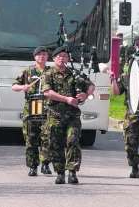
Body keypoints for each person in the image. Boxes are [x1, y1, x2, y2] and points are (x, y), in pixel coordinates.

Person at [42, 46, 94, 184]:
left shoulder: (74, 73)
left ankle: (72, 172)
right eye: (59, 56)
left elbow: (90, 85)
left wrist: (85, 94)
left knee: (73, 142)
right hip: (55, 115)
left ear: (68, 59)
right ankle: (60, 172)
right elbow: (47, 92)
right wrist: (66, 99)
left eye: (64, 56)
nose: (62, 59)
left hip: (72, 116)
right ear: (54, 59)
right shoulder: (48, 74)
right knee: (56, 144)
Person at [12, 47, 52, 177]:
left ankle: (45, 164)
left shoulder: (51, 71)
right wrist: (23, 87)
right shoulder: (28, 71)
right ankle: (33, 166)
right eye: (39, 54)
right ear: (34, 57)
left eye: (44, 54)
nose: (41, 57)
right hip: (32, 106)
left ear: (47, 57)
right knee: (31, 138)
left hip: (47, 107)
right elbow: (14, 86)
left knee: (47, 137)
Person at [111, 68, 139, 179]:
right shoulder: (126, 76)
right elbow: (116, 92)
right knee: (130, 142)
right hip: (132, 114)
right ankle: (135, 167)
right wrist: (113, 80)